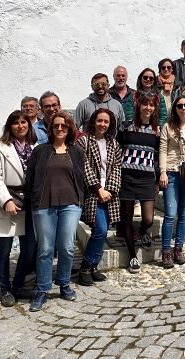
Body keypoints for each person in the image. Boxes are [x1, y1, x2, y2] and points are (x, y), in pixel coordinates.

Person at [26, 111, 84, 311]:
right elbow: (31, 177)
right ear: (50, 129)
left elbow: (82, 177)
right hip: (43, 205)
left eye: (64, 126)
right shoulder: (40, 151)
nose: (60, 129)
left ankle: (64, 284)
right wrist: (32, 200)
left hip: (70, 205)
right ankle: (42, 289)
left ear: (69, 129)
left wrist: (80, 200)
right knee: (45, 249)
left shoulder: (76, 152)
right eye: (56, 126)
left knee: (67, 247)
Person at [0, 110, 38, 306]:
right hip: (7, 201)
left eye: (24, 122)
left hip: (30, 203)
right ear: (9, 126)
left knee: (29, 248)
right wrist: (6, 200)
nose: (21, 126)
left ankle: (18, 284)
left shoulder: (36, 146)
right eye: (16, 123)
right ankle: (5, 288)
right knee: (5, 249)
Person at [77, 109, 122, 283]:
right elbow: (84, 165)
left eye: (106, 122)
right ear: (93, 121)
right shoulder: (84, 141)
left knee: (102, 231)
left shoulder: (113, 143)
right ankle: (86, 267)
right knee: (100, 229)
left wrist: (110, 189)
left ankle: (93, 266)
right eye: (99, 121)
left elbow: (117, 167)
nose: (102, 124)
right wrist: (98, 188)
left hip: (109, 193)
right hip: (91, 192)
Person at [116, 95, 160, 274]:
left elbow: (157, 157)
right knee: (126, 218)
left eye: (151, 105)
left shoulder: (157, 130)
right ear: (138, 105)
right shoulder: (126, 126)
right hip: (127, 177)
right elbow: (117, 150)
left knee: (148, 219)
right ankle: (132, 256)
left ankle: (142, 232)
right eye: (145, 104)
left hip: (147, 179)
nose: (148, 108)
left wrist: (157, 180)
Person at [159, 96, 185, 268]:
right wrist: (162, 172)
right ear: (175, 108)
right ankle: (166, 251)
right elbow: (162, 150)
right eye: (180, 106)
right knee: (170, 214)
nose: (184, 108)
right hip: (172, 174)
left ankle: (179, 249)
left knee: (184, 213)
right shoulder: (167, 127)